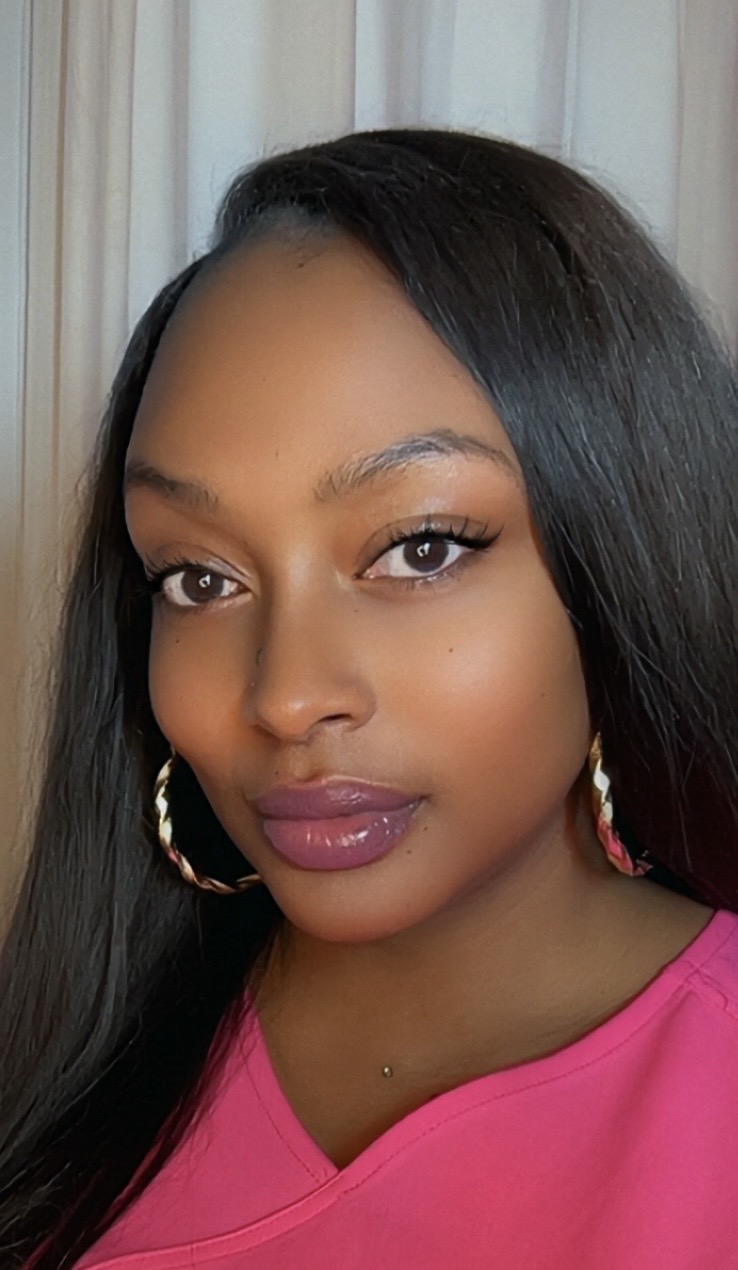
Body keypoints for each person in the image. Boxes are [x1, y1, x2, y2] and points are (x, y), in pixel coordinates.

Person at [1, 128, 737, 1270]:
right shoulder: (63, 1055)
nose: (288, 698)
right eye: (199, 578)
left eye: (421, 548)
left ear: (625, 561)